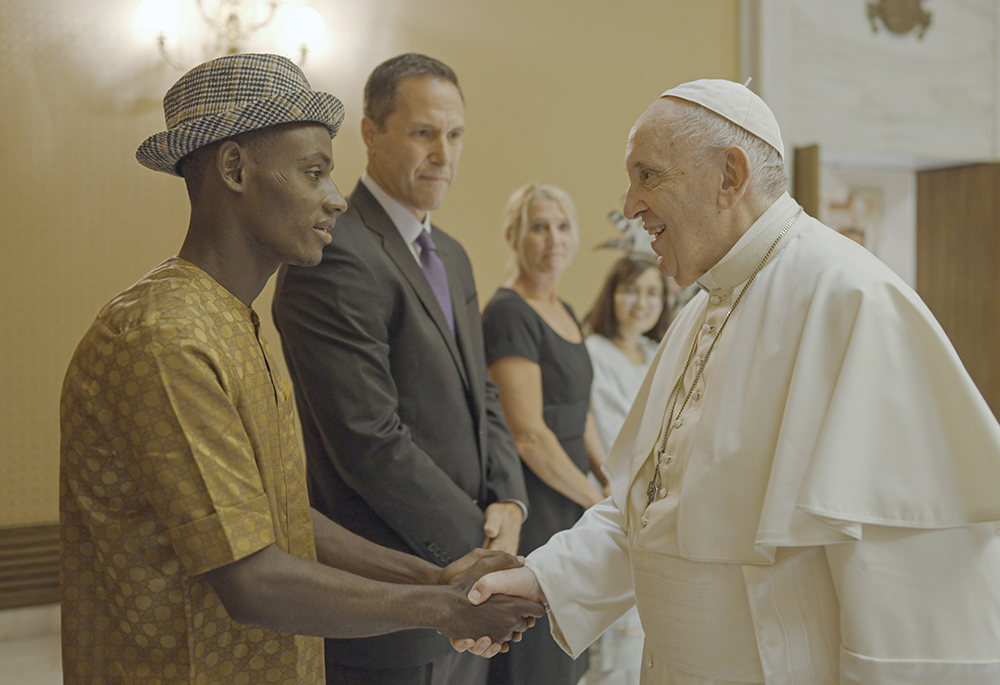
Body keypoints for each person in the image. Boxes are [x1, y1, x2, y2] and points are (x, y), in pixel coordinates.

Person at [461, 79, 1000, 683]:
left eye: (648, 175)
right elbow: (646, 511)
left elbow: (911, 581)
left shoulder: (850, 301)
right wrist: (542, 579)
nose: (630, 203)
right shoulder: (698, 312)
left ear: (730, 176)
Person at [59, 53, 543, 685]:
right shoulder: (164, 336)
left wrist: (436, 574)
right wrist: (439, 605)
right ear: (235, 168)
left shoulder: (231, 320)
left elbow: (282, 517)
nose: (336, 199)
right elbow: (251, 579)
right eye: (314, 172)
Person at [271, 53, 528, 684]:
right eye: (423, 133)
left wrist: (511, 502)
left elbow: (483, 397)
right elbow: (368, 442)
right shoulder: (335, 255)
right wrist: (475, 550)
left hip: (473, 579)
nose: (444, 153)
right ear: (370, 131)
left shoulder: (457, 258)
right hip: (389, 596)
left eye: (455, 134)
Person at [480, 183, 607, 685]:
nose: (552, 238)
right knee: (537, 661)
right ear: (514, 236)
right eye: (538, 226)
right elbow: (528, 434)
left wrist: (609, 479)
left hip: (576, 496)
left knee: (570, 655)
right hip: (541, 500)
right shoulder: (509, 314)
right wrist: (592, 496)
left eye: (561, 226)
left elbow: (582, 412)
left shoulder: (567, 310)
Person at [581, 255, 670, 685]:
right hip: (611, 494)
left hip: (660, 499)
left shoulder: (661, 352)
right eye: (631, 290)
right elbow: (590, 423)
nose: (642, 302)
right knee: (612, 642)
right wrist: (607, 480)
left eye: (653, 292)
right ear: (612, 294)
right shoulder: (592, 352)